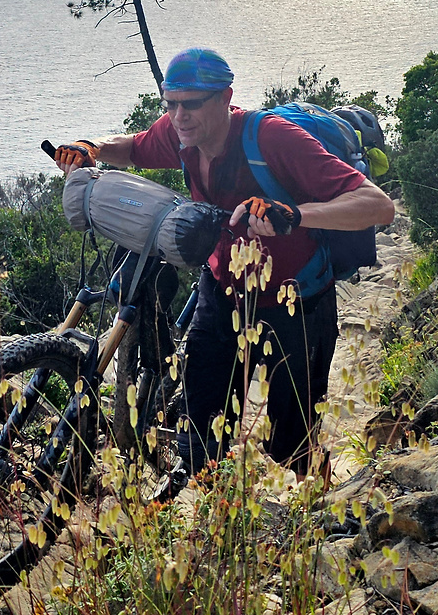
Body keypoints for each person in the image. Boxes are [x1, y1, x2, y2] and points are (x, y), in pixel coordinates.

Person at [54, 46, 395, 477]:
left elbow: (378, 205)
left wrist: (294, 215)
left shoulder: (274, 139)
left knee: (292, 443)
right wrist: (91, 147)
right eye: (171, 105)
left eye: (191, 104)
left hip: (296, 304)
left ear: (224, 97)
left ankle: (320, 509)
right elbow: (135, 149)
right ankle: (213, 523)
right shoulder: (182, 135)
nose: (180, 116)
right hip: (221, 293)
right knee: (202, 431)